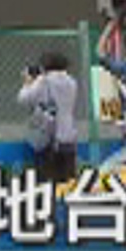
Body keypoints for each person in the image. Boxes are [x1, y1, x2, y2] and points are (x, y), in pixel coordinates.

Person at [18, 51, 80, 184]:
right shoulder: (71, 81)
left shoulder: (44, 81)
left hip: (50, 137)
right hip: (68, 135)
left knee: (47, 177)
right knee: (67, 178)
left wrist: (28, 83)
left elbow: (24, 98)